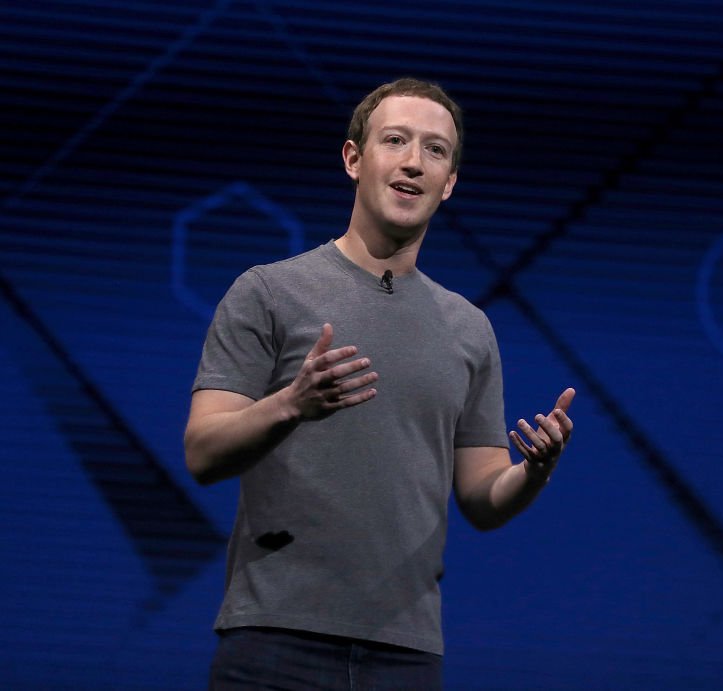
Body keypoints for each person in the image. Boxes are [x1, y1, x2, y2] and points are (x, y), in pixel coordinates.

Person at [184, 77, 575, 690]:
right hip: (275, 638)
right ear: (353, 159)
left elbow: (482, 499)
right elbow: (203, 453)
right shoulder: (268, 291)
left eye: (435, 150)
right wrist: (291, 404)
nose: (414, 162)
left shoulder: (468, 329)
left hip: (405, 653)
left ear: (448, 184)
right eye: (395, 140)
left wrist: (534, 473)